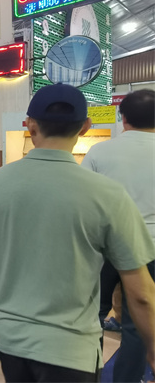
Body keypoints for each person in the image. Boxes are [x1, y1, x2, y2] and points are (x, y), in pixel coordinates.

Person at [0, 84, 155, 381]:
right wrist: (151, 348)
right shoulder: (107, 193)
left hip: (10, 338)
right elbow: (140, 294)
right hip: (71, 348)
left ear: (30, 126)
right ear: (85, 127)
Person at [81, 88, 155, 382]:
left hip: (103, 247)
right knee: (139, 323)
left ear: (122, 118)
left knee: (90, 316)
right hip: (150, 248)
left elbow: (83, 202)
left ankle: (89, 375)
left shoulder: (99, 152)